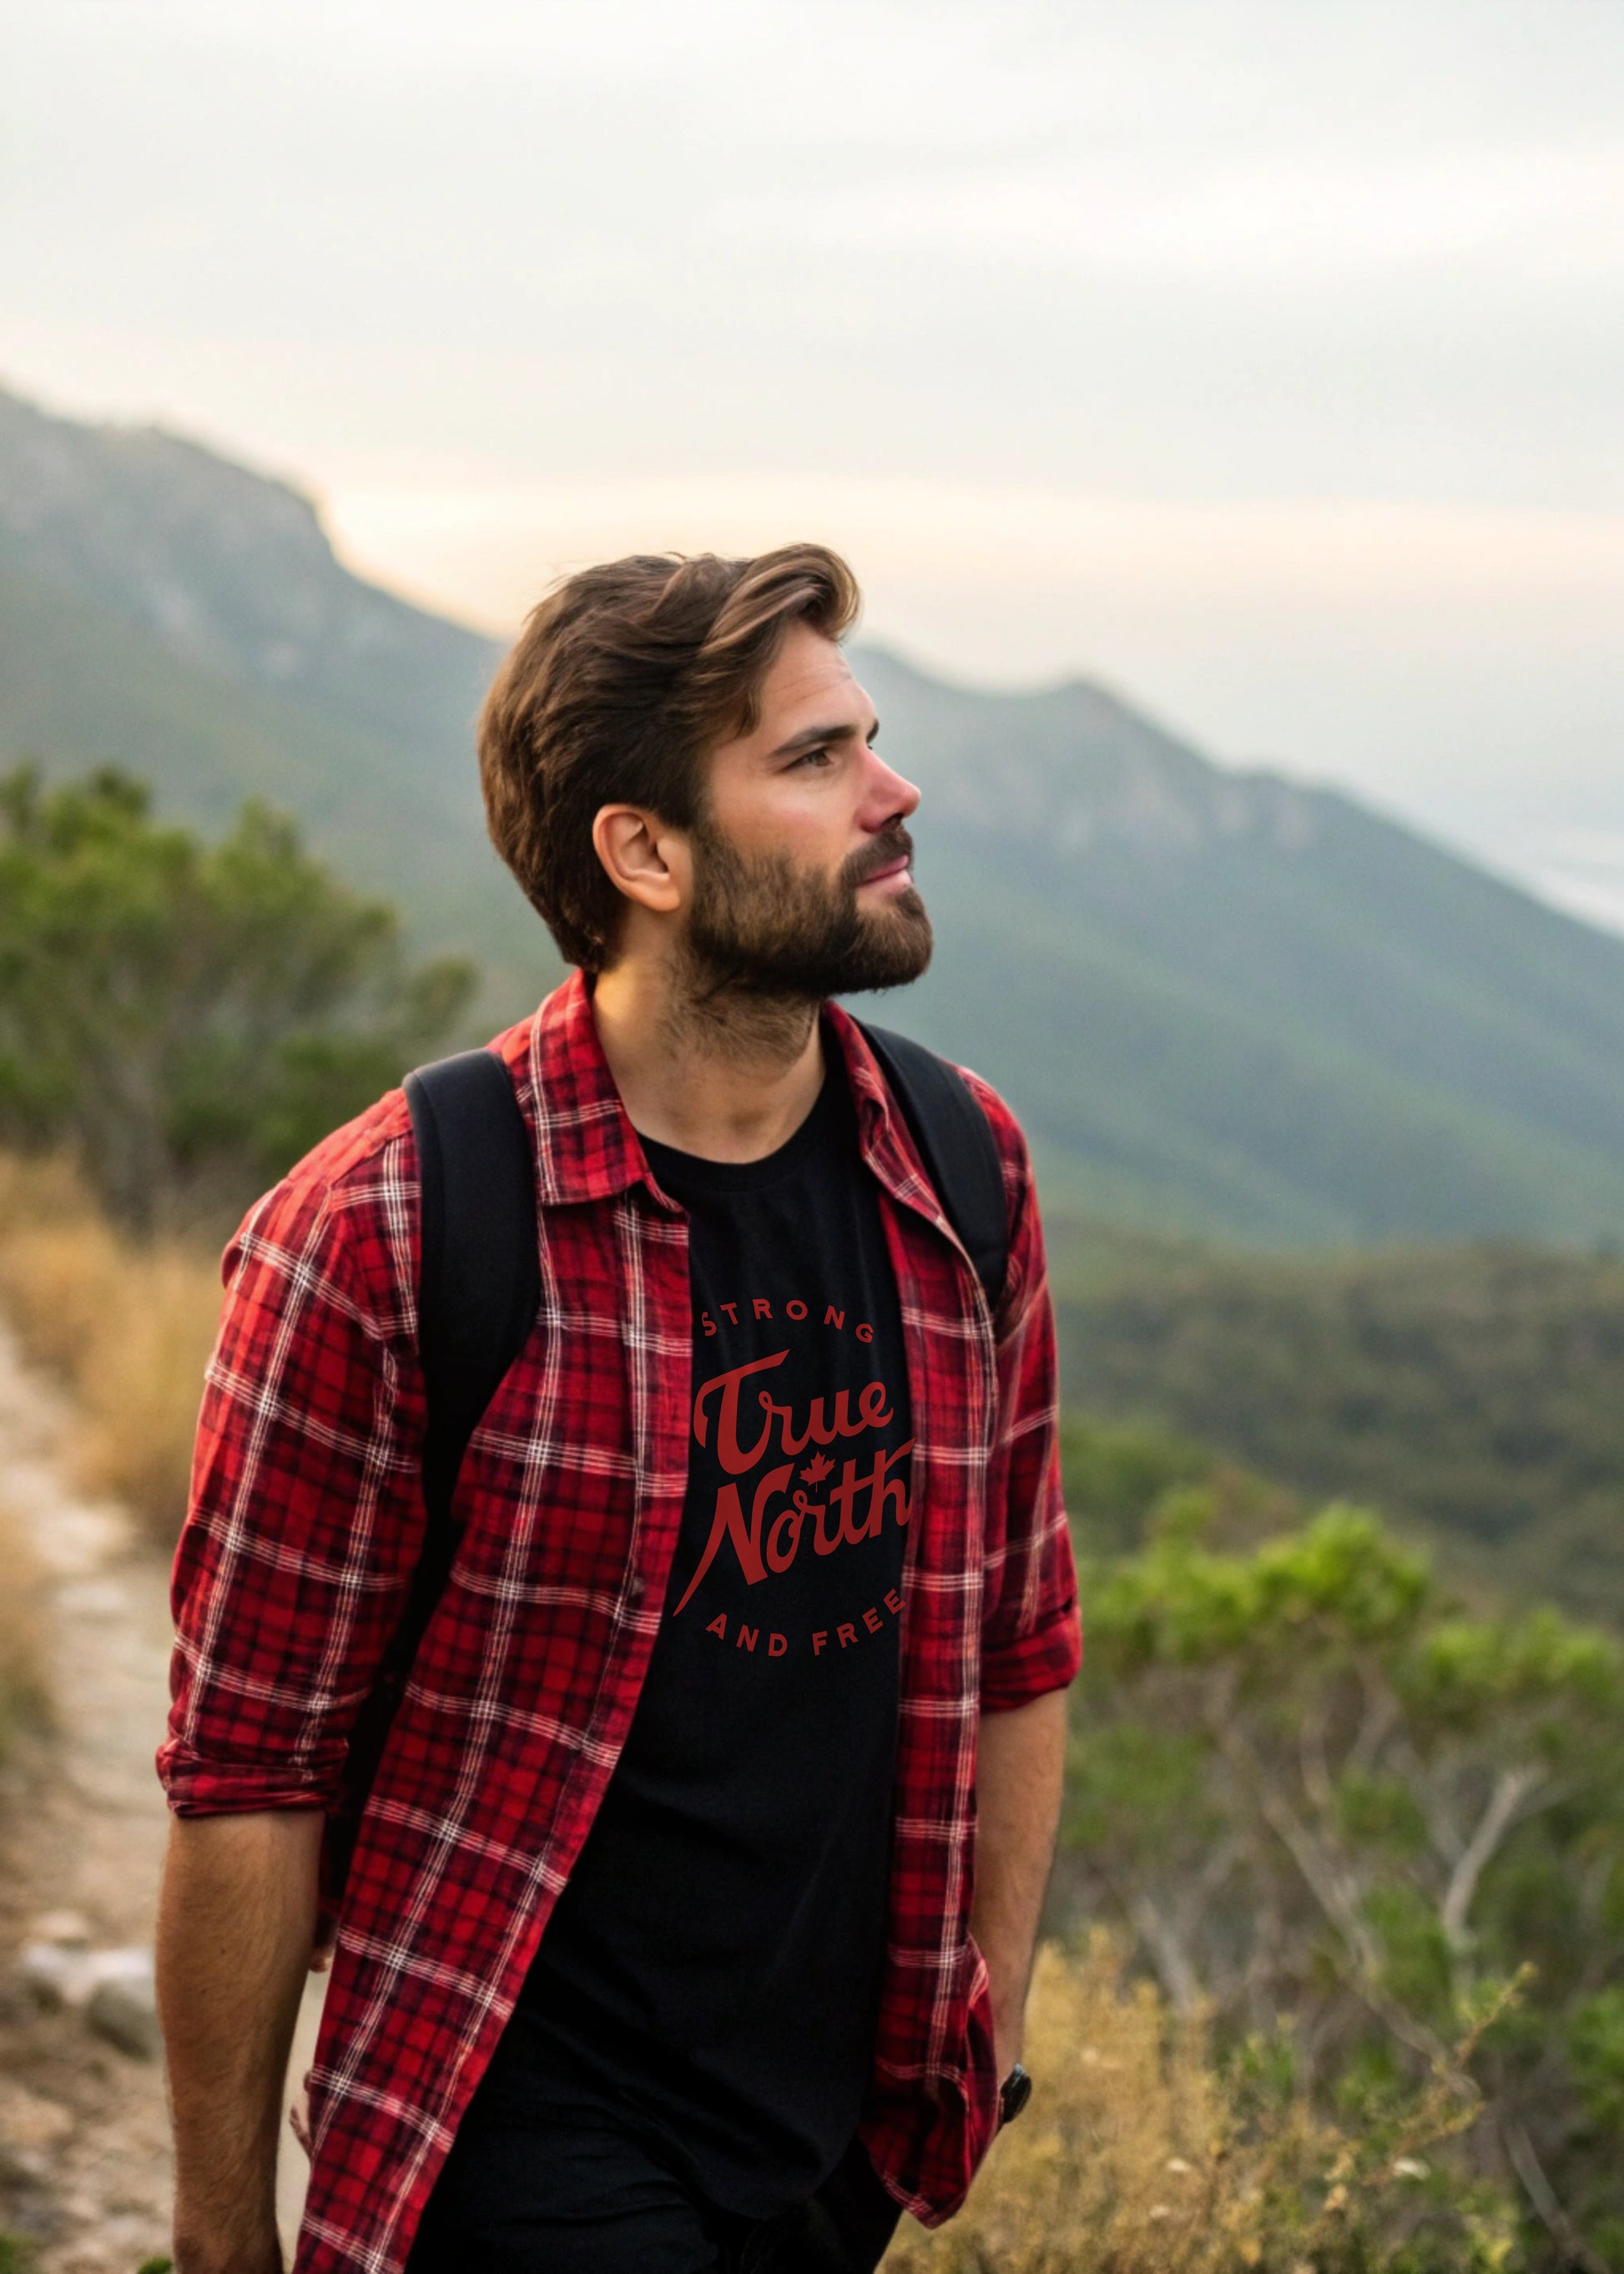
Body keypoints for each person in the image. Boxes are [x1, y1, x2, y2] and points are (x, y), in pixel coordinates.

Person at [155, 545, 1081, 2274]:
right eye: (814, 758)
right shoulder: (387, 1226)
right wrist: (221, 2239)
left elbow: (1015, 1640)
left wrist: (992, 2015)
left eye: (868, 739)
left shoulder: (964, 1169)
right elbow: (251, 1771)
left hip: (836, 2128)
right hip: (520, 2118)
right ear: (645, 853)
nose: (894, 794)